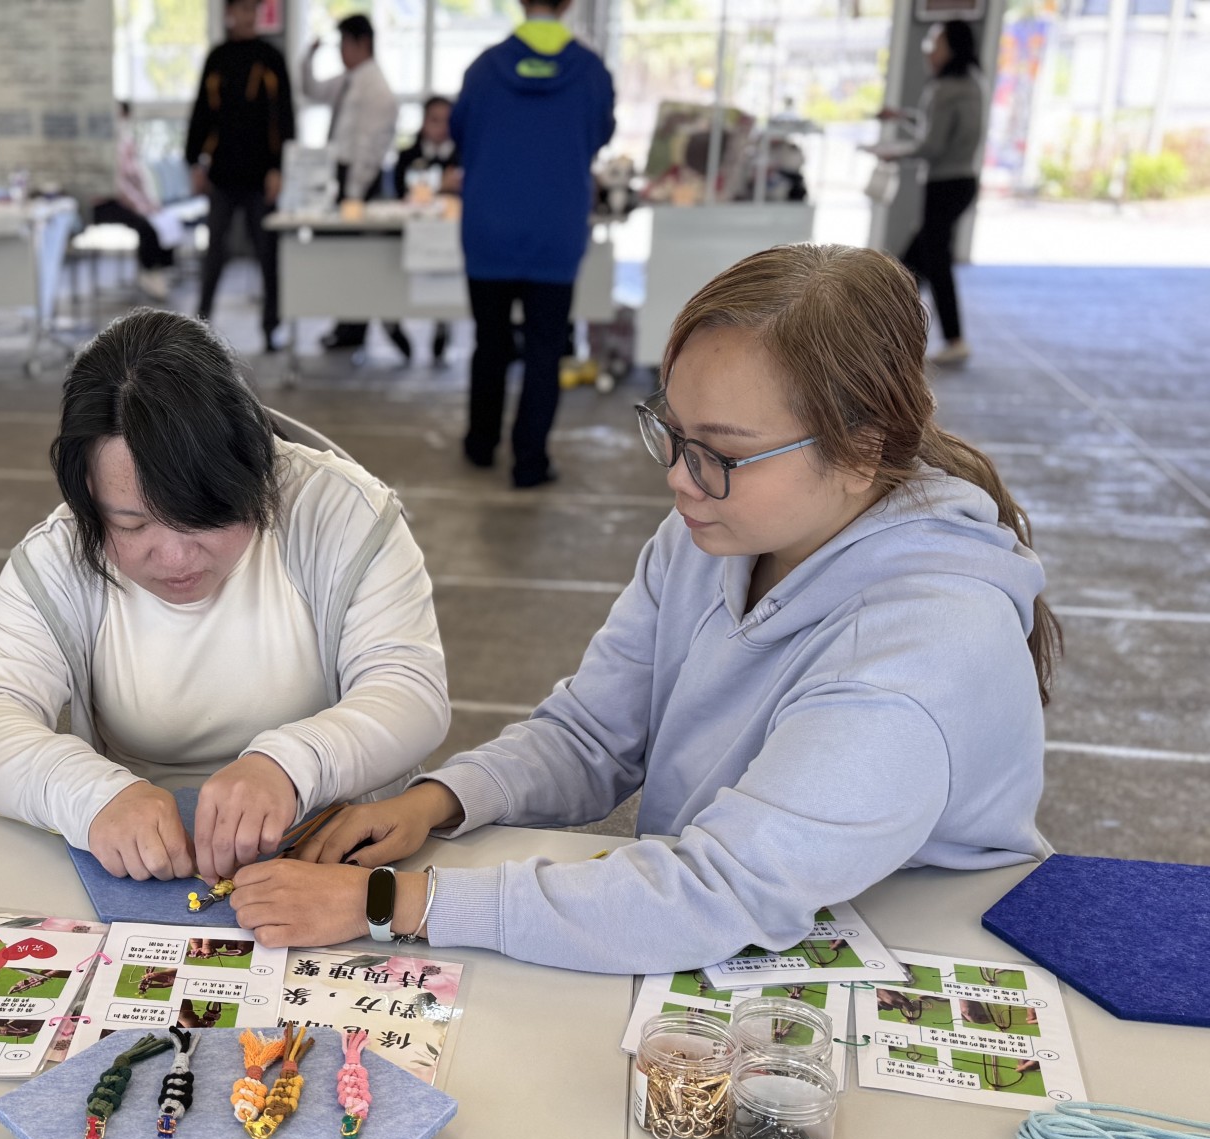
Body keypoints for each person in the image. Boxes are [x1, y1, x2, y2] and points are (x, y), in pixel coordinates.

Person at [229, 244, 1060, 972]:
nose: (678, 478)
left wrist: (393, 902)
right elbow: (592, 733)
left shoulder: (925, 645)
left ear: (861, 449)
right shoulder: (717, 533)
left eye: (721, 453)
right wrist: (438, 801)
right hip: (728, 939)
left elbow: (717, 892)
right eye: (672, 432)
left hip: (910, 965)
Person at [0, 308, 449, 884]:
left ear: (254, 470)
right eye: (131, 524)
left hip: (329, 853)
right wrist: (90, 794)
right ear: (87, 497)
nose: (175, 558)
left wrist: (291, 764)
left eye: (204, 518)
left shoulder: (341, 514)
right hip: (146, 869)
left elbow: (410, 690)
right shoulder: (57, 557)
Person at [448, 0, 614, 488]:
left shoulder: (484, 69)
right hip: (555, 229)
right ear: (569, 4)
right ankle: (530, 462)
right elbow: (599, 134)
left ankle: (481, 445)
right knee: (545, 350)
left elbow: (460, 134)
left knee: (490, 342)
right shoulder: (591, 73)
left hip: (488, 227)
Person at [186, 0, 295, 353]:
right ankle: (199, 329)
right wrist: (194, 161)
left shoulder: (271, 58)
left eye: (253, 10)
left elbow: (284, 116)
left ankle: (271, 327)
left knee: (268, 255)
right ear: (229, 14)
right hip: (222, 175)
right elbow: (201, 113)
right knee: (214, 254)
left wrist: (279, 167)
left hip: (261, 177)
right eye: (242, 10)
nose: (248, 17)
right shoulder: (217, 58)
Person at [876, 21, 987, 367]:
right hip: (963, 182)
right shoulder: (972, 83)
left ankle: (949, 339)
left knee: (930, 265)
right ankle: (885, 330)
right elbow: (936, 127)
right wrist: (902, 117)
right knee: (915, 263)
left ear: (951, 48)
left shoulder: (943, 89)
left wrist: (894, 152)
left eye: (935, 43)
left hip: (943, 184)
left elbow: (932, 144)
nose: (929, 50)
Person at [302, 14, 399, 353]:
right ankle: (346, 325)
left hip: (359, 182)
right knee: (340, 255)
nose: (341, 51)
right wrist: (309, 56)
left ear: (363, 43)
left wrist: (354, 193)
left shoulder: (377, 88)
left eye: (345, 43)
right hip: (340, 175)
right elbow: (312, 90)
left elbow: (371, 148)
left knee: (355, 256)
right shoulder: (348, 80)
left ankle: (357, 327)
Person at [385, 95, 458, 363]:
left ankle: (442, 328)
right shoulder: (408, 155)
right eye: (434, 120)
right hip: (409, 237)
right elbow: (403, 193)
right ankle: (392, 325)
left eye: (447, 121)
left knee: (444, 286)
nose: (441, 128)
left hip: (449, 241)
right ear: (424, 122)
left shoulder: (464, 153)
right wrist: (440, 187)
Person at [91, 101, 176, 303]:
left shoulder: (126, 141)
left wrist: (150, 202)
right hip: (108, 201)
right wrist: (141, 206)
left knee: (165, 219)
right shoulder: (103, 143)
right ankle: (149, 271)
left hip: (130, 199)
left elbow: (137, 178)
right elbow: (118, 185)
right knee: (146, 226)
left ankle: (160, 271)